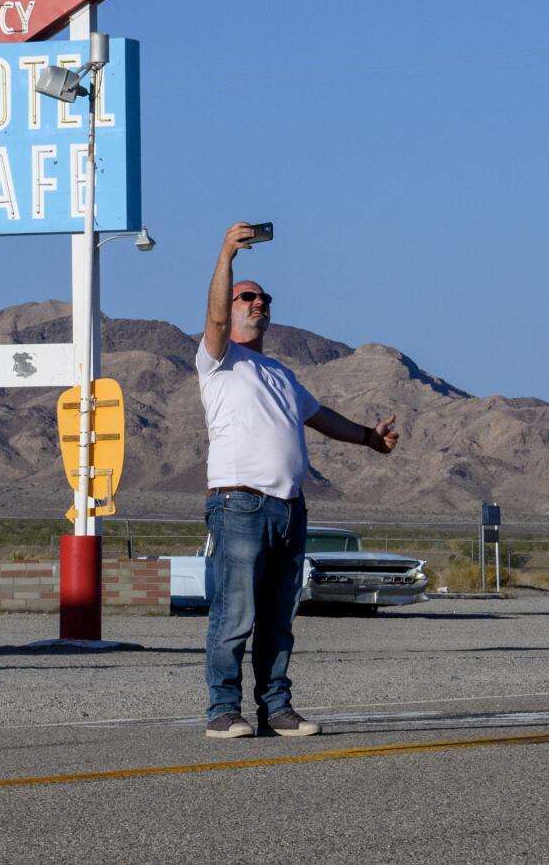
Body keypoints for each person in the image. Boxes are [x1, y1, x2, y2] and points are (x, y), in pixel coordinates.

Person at [198, 221, 402, 740]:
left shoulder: (280, 374)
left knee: (279, 617)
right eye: (248, 297)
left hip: (288, 506)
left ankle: (276, 707)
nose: (256, 303)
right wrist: (227, 257)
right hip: (239, 504)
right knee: (234, 613)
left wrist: (367, 438)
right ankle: (223, 710)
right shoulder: (218, 360)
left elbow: (318, 415)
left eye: (262, 298)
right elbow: (217, 316)